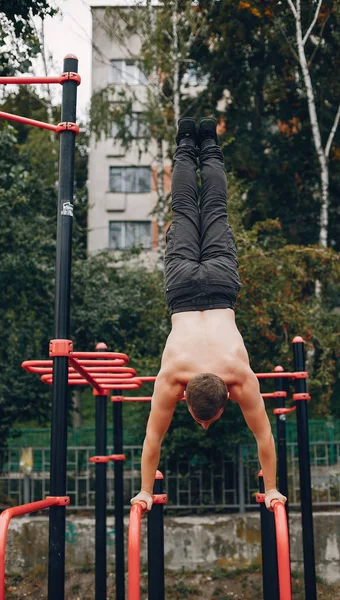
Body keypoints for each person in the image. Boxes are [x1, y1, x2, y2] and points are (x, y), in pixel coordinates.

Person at [131, 118, 287, 512]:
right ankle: (186, 138)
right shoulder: (172, 378)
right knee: (185, 209)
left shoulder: (238, 375)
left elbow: (265, 438)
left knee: (215, 208)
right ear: (188, 396)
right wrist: (144, 490)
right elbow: (152, 440)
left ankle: (209, 141)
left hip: (219, 287)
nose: (205, 422)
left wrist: (273, 488)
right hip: (182, 291)